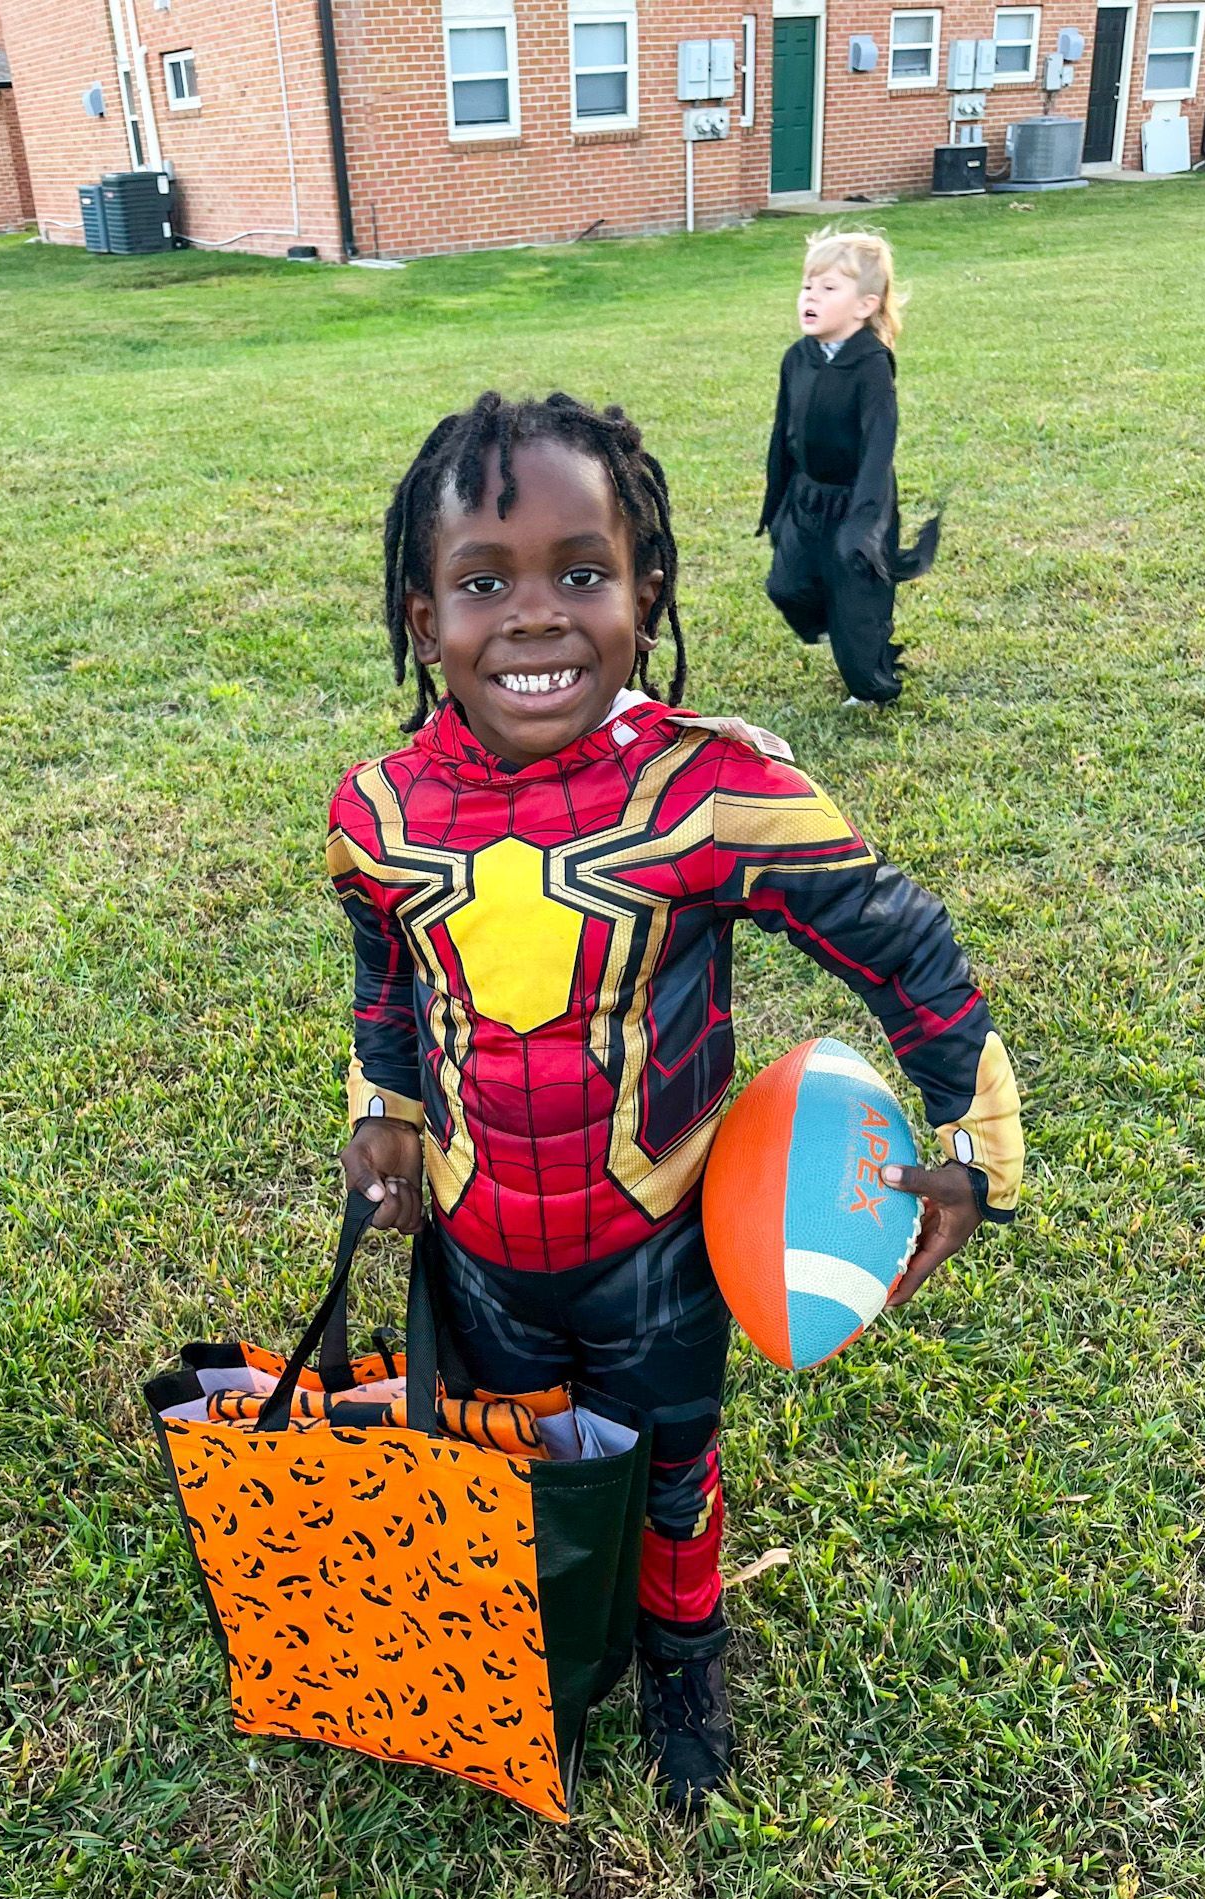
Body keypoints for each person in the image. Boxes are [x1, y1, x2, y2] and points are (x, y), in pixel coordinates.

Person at [328, 391, 1023, 1811]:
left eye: (582, 572)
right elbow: (386, 977)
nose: (535, 616)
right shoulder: (378, 816)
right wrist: (380, 1104)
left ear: (646, 593)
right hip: (476, 1245)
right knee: (513, 1458)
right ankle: (548, 1647)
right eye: (483, 583)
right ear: (421, 615)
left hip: (657, 1247)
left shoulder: (711, 792)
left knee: (670, 1472)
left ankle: (683, 1657)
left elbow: (898, 942)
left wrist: (975, 1145)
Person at [759, 228, 939, 707]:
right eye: (807, 286)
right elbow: (782, 432)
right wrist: (775, 501)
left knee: (857, 604)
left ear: (864, 305)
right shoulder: (797, 358)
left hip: (858, 498)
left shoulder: (871, 365)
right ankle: (829, 620)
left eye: (828, 288)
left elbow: (880, 443)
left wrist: (865, 519)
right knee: (786, 585)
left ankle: (871, 684)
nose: (810, 297)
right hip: (806, 496)